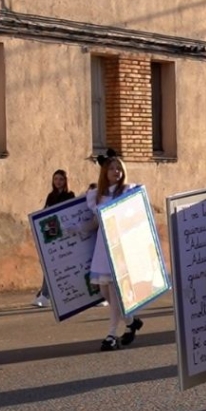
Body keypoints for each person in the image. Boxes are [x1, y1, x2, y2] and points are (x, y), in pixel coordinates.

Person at [84, 148, 144, 351]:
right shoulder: (97, 196)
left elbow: (136, 214)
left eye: (119, 168)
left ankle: (111, 334)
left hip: (121, 246)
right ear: (105, 172)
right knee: (105, 291)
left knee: (115, 291)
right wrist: (74, 230)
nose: (116, 171)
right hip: (103, 246)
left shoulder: (128, 191)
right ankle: (130, 320)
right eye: (112, 168)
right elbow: (94, 222)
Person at [32, 170, 76, 308]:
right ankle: (45, 293)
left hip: (64, 236)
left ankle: (46, 294)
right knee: (48, 265)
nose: (58, 182)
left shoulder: (70, 195)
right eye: (56, 179)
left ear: (66, 181)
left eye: (61, 179)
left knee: (61, 267)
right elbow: (45, 213)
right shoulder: (51, 196)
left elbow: (69, 214)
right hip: (51, 235)